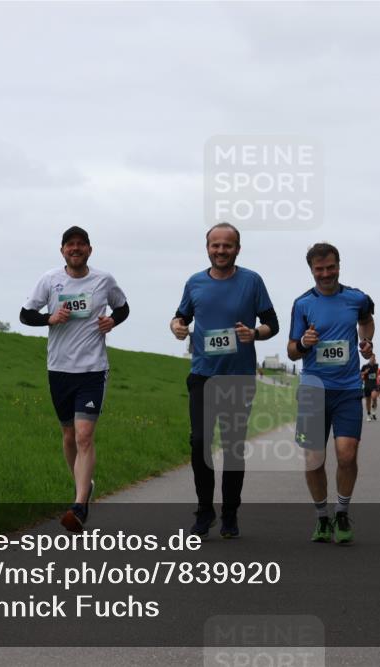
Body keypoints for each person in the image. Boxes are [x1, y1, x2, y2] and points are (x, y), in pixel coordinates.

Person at [170, 222, 279, 539]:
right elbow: (182, 317)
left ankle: (230, 513)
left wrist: (255, 333)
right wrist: (176, 326)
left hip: (238, 378)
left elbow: (272, 322)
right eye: (215, 245)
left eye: (227, 246)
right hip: (202, 375)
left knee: (232, 448)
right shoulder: (195, 283)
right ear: (207, 248)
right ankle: (205, 513)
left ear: (237, 249)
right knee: (200, 443)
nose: (221, 251)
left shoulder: (252, 281)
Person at [20, 226, 129, 532]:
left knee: (84, 435)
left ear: (89, 250)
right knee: (69, 436)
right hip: (59, 369)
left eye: (81, 244)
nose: (76, 249)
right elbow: (25, 314)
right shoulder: (50, 280)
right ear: (63, 250)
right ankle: (84, 485)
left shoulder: (103, 280)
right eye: (70, 245)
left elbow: (123, 307)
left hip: (93, 369)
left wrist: (112, 320)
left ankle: (79, 505)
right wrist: (49, 318)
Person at [288, 242, 374, 544]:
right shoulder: (302, 304)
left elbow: (366, 322)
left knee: (346, 455)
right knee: (314, 459)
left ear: (339, 265)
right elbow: (291, 353)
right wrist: (304, 343)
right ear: (311, 270)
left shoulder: (357, 298)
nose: (326, 274)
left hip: (348, 389)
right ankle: (322, 517)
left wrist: (366, 342)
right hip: (313, 390)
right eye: (319, 269)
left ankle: (342, 511)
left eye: (331, 267)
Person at [360, 355, 380, 421]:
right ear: (369, 358)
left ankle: (373, 411)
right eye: (371, 358)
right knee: (368, 401)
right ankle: (369, 415)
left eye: (374, 358)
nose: (373, 359)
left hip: (374, 385)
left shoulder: (376, 365)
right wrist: (365, 372)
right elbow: (360, 374)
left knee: (374, 397)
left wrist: (378, 380)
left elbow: (377, 373)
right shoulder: (365, 366)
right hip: (367, 385)